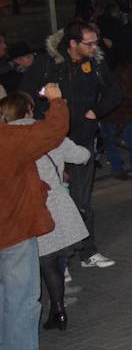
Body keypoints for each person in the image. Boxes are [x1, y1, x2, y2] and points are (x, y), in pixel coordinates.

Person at [21, 22, 122, 270]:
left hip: (81, 140)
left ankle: (88, 251)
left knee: (82, 199)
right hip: (50, 145)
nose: (94, 47)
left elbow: (115, 93)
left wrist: (95, 112)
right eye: (89, 43)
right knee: (52, 199)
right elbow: (24, 96)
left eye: (95, 41)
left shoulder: (96, 64)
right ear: (73, 43)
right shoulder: (46, 64)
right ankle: (59, 260)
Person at [2, 92, 90, 333]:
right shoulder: (47, 133)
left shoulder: (7, 139)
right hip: (55, 206)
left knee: (34, 266)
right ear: (29, 109)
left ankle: (44, 315)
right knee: (52, 263)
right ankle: (58, 309)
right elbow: (82, 156)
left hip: (26, 210)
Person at [0, 82, 68, 350]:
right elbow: (52, 131)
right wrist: (56, 100)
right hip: (11, 227)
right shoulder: (6, 138)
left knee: (5, 297)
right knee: (21, 296)